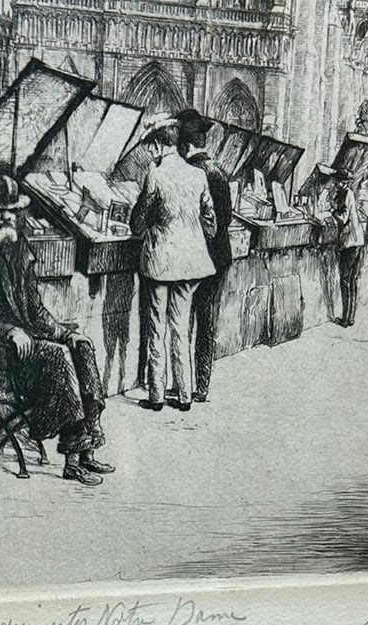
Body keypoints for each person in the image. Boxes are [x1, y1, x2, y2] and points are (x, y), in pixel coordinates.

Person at [0, 174, 114, 486]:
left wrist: (64, 332)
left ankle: (88, 448)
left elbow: (35, 309)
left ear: (18, 215)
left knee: (80, 346)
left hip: (23, 351)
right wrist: (8, 331)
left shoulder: (20, 248)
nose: (5, 217)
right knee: (58, 358)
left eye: (11, 212)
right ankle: (71, 460)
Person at [130, 121, 217, 412]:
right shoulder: (197, 175)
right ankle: (184, 395)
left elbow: (137, 223)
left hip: (161, 262)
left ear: (157, 145)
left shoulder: (155, 175)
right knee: (181, 329)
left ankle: (156, 396)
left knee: (158, 328)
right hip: (191, 263)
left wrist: (153, 224)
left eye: (150, 146)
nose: (149, 152)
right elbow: (211, 223)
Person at [176, 108, 232, 404]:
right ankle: (202, 385)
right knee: (207, 323)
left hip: (196, 258)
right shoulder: (219, 172)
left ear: (185, 146)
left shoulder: (191, 173)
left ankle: (183, 382)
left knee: (185, 319)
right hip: (220, 257)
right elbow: (227, 219)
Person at [332, 166, 366, 328]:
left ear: (343, 182)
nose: (334, 183)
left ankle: (345, 319)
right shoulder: (348, 193)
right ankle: (350, 317)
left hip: (349, 243)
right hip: (358, 241)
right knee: (352, 281)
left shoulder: (346, 194)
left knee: (345, 280)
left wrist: (331, 212)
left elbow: (343, 218)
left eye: (337, 181)